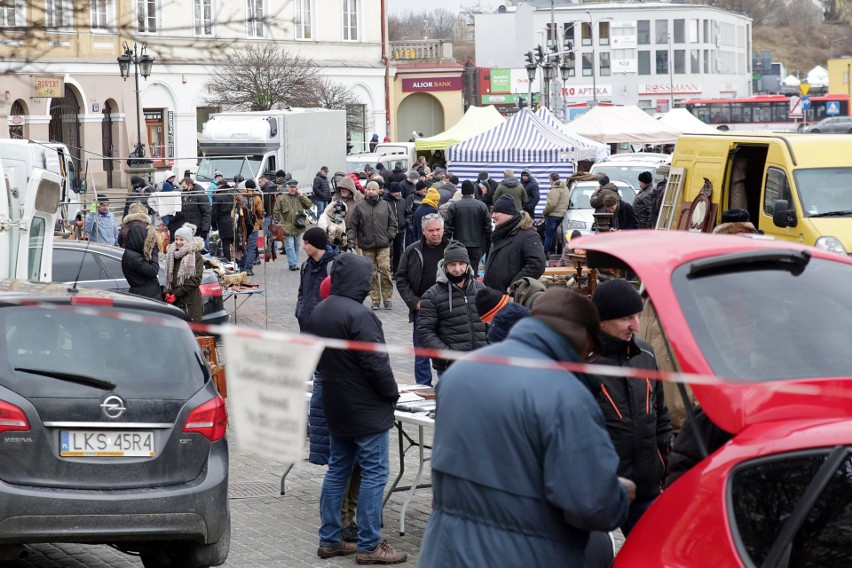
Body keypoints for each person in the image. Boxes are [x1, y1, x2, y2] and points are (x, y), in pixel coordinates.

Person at [418, 287, 633, 567]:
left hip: (445, 553)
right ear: (585, 340)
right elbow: (591, 505)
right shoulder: (566, 393)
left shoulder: (461, 371)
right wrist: (618, 493)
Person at [310, 254, 407, 565]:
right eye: (366, 279)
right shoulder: (360, 315)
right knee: (375, 473)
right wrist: (392, 393)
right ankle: (369, 543)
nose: (368, 284)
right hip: (366, 408)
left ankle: (330, 539)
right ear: (358, 280)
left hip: (337, 405)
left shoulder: (320, 310)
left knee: (338, 469)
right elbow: (376, 363)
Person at [589, 278, 673, 536]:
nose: (636, 326)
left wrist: (664, 463)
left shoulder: (645, 354)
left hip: (645, 487)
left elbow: (661, 416)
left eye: (637, 316)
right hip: (597, 492)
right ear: (601, 320)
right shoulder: (582, 362)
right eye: (627, 318)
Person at [417, 241, 487, 377]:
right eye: (452, 264)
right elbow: (425, 331)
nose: (457, 269)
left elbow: (492, 323)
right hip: (451, 368)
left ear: (467, 265)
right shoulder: (432, 295)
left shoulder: (481, 289)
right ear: (445, 266)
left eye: (461, 264)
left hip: (482, 363)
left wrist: (490, 350)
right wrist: (447, 355)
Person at [395, 214, 448, 387]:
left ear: (443, 229)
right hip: (422, 309)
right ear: (423, 231)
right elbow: (401, 278)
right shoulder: (412, 250)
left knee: (445, 350)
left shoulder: (453, 249)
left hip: (447, 309)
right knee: (421, 352)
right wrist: (413, 302)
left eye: (438, 229)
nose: (435, 234)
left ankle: (447, 385)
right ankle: (423, 388)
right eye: (431, 230)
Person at [346, 181, 398, 310]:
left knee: (385, 269)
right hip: (367, 245)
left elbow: (393, 223)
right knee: (371, 273)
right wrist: (351, 239)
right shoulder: (360, 207)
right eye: (368, 189)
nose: (371, 191)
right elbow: (352, 226)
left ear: (378, 191)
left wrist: (389, 236)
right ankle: (375, 300)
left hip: (383, 244)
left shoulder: (385, 205)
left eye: (373, 189)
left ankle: (387, 298)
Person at [483, 194, 546, 293]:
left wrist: (515, 285)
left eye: (497, 212)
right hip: (494, 295)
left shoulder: (528, 236)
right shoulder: (500, 233)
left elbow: (537, 264)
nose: (493, 215)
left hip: (512, 297)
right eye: (492, 212)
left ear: (509, 214)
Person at [444, 180, 491, 276]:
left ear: (462, 192)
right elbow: (488, 227)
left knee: (460, 270)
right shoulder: (481, 206)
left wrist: (447, 243)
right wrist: (489, 243)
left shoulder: (454, 206)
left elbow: (447, 227)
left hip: (459, 244)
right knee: (473, 270)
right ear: (473, 192)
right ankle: (472, 289)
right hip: (476, 244)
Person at [164, 223, 204, 323]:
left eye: (182, 239)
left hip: (189, 303)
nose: (178, 242)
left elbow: (195, 280)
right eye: (176, 239)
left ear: (188, 241)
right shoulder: (171, 254)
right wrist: (167, 292)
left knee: (191, 333)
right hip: (175, 301)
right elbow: (168, 278)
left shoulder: (195, 255)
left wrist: (176, 295)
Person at [121, 205, 160, 300]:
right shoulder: (133, 257)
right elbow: (153, 270)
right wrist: (154, 250)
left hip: (145, 294)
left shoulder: (133, 253)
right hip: (147, 296)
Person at [274, 179, 314, 271]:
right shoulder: (281, 197)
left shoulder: (299, 197)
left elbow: (309, 204)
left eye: (294, 187)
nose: (293, 189)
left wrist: (301, 195)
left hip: (298, 225)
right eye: (291, 187)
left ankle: (294, 262)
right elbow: (276, 211)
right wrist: (281, 223)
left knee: (297, 244)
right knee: (290, 245)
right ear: (287, 187)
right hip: (287, 226)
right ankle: (292, 263)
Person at [541, 172, 569, 255]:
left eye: (549, 180)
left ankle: (545, 253)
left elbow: (552, 204)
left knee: (549, 235)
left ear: (552, 180)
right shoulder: (565, 188)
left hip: (553, 215)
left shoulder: (555, 190)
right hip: (561, 214)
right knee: (554, 235)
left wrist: (545, 212)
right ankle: (552, 252)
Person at [179, 176, 212, 242]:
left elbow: (206, 212)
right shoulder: (185, 195)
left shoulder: (200, 194)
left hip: (199, 229)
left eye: (184, 187)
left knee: (202, 249)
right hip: (189, 228)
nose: (183, 189)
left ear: (190, 185)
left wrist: (204, 229)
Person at [211, 180, 235, 261]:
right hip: (232, 219)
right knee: (230, 242)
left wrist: (213, 225)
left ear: (220, 185)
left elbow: (214, 212)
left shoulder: (217, 196)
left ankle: (227, 260)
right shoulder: (232, 194)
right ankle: (234, 260)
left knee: (225, 243)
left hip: (222, 221)